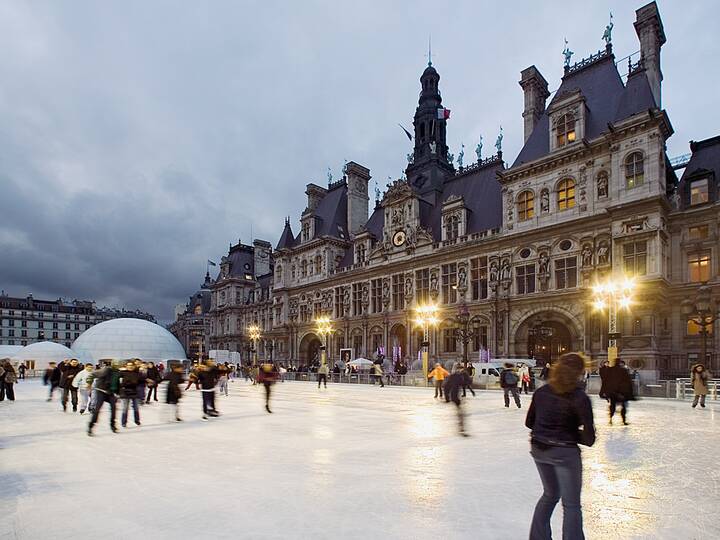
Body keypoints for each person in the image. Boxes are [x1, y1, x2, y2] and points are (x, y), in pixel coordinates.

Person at [525, 353, 595, 540]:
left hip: (539, 449)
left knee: (550, 494)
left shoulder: (542, 391)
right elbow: (589, 438)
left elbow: (529, 422)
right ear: (580, 372)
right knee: (571, 505)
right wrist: (570, 432)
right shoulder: (580, 397)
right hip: (564, 452)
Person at [88, 361, 119, 436]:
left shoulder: (118, 372)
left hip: (110, 393)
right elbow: (93, 374)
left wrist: (118, 392)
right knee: (97, 409)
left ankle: (113, 425)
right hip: (101, 391)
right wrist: (89, 382)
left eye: (118, 365)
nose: (117, 366)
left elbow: (117, 383)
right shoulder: (106, 370)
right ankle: (91, 426)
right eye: (116, 364)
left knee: (114, 408)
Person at [602, 360, 634, 425]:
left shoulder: (610, 370)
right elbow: (628, 382)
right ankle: (623, 420)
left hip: (613, 392)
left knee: (613, 406)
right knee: (623, 407)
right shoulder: (623, 370)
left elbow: (605, 381)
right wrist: (630, 393)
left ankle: (610, 420)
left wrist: (603, 391)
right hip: (621, 392)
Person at [444, 368, 471, 436]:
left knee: (460, 412)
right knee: (460, 413)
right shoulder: (457, 376)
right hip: (455, 397)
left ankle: (461, 427)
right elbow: (466, 383)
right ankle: (461, 428)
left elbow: (446, 387)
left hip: (454, 397)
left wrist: (447, 398)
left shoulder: (453, 376)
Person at [119, 361, 142, 428]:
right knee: (125, 408)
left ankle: (137, 420)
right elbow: (117, 381)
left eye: (131, 365)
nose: (130, 366)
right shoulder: (122, 373)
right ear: (126, 366)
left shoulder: (137, 374)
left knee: (136, 407)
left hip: (134, 392)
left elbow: (141, 381)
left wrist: (149, 381)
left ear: (134, 366)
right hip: (125, 392)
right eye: (128, 365)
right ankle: (124, 422)